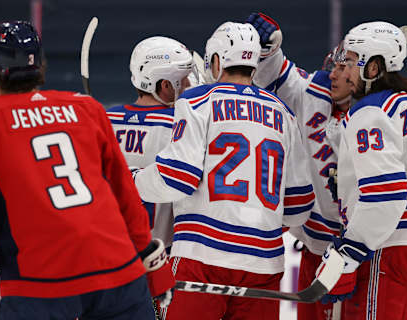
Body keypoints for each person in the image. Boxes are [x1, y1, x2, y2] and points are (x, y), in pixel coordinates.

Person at [0, 20, 174, 320]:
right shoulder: (86, 107)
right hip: (117, 272)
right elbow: (124, 192)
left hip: (38, 278)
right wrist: (146, 254)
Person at [133, 21, 315, 320]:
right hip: (264, 263)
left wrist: (132, 180)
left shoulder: (198, 100)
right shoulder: (284, 113)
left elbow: (177, 177)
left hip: (201, 258)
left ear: (216, 60)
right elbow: (298, 206)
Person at [318, 21, 407, 319]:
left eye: (349, 62)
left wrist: (350, 250)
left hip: (391, 247)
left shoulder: (371, 112)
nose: (342, 70)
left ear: (372, 68)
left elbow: (385, 194)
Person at [246, 12, 352, 320]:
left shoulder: (378, 118)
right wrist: (267, 47)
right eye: (333, 65)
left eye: (343, 68)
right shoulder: (313, 92)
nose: (332, 74)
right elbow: (276, 74)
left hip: (360, 257)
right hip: (313, 250)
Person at [106, 36, 195, 249]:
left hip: (110, 251)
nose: (188, 84)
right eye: (183, 79)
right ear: (165, 84)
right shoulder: (182, 125)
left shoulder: (103, 121)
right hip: (160, 253)